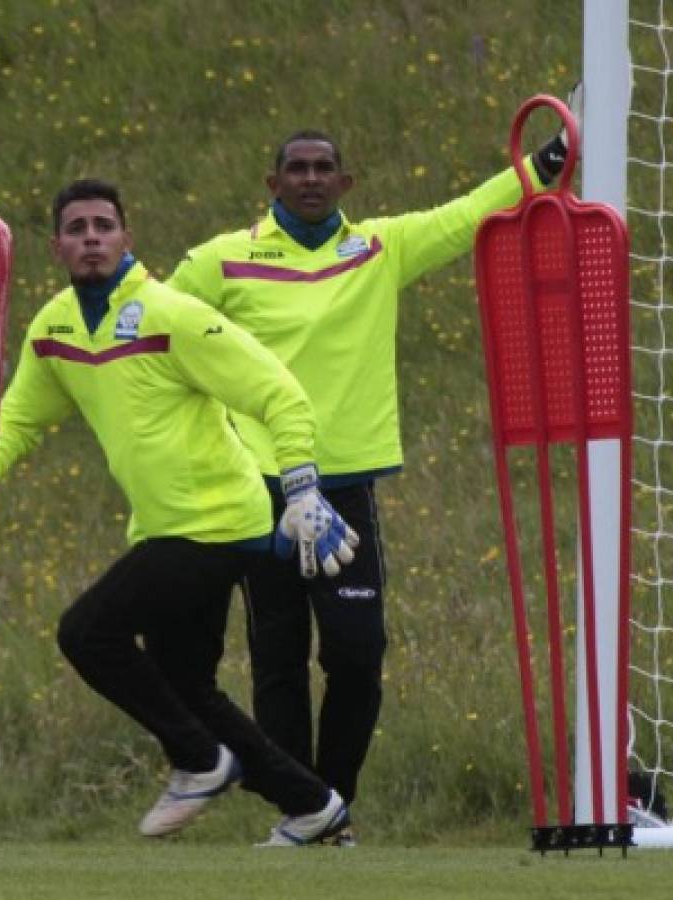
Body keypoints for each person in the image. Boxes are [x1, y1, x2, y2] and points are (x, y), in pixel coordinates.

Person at [166, 92, 580, 844]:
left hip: (345, 489)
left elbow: (466, 215)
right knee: (278, 663)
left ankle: (333, 804)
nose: (311, 179)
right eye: (297, 168)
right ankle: (306, 814)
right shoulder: (221, 260)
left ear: (347, 185)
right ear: (273, 182)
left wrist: (548, 161)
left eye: (325, 168)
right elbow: (157, 326)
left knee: (357, 656)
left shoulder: (378, 249)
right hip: (258, 494)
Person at [0, 178, 359, 846]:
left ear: (127, 238)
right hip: (165, 527)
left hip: (219, 520)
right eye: (77, 229)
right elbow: (18, 417)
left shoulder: (173, 314)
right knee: (187, 686)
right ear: (57, 246)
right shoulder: (54, 328)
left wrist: (303, 488)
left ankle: (198, 762)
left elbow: (277, 392)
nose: (91, 238)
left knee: (87, 633)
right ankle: (314, 807)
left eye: (103, 226)